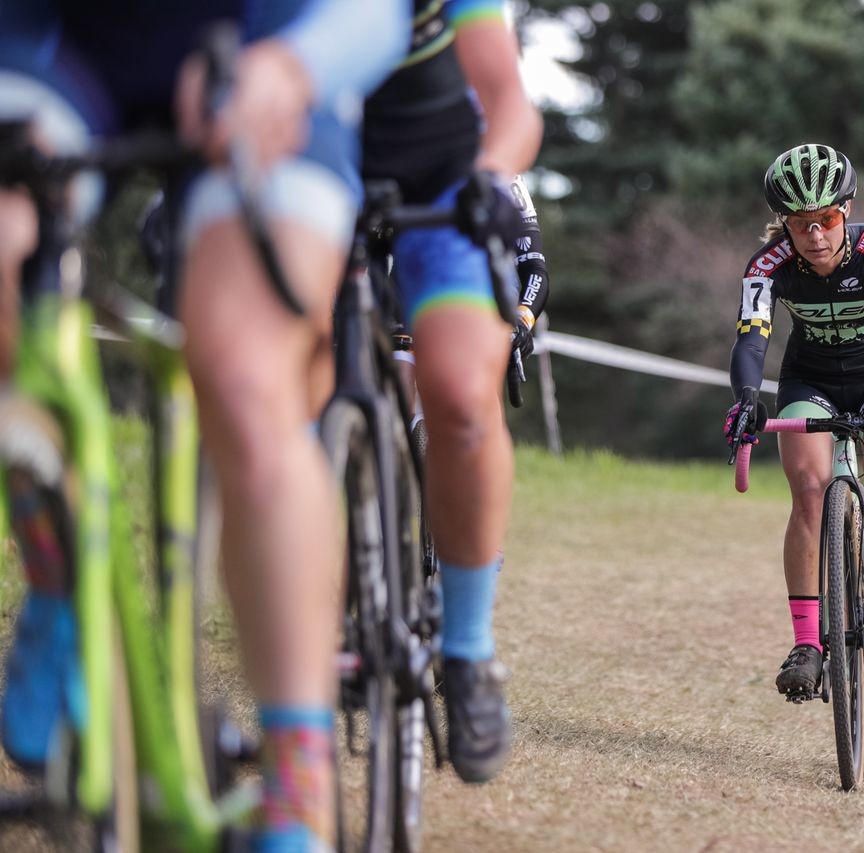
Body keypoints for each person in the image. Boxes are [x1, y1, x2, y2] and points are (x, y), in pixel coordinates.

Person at [0, 2, 409, 849]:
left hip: (266, 29)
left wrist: (293, 70)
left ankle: (298, 783)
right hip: (55, 37)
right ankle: (58, 579)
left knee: (243, 370)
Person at [360, 0, 543, 783]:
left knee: (462, 400)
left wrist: (492, 175)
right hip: (313, 168)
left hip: (441, 176)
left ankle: (466, 650)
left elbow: (507, 99)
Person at [724, 143, 864, 699]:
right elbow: (751, 340)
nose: (815, 235)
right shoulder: (768, 267)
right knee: (807, 489)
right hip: (811, 380)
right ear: (785, 225)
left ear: (845, 211)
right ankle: (807, 643)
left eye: (826, 220)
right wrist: (747, 397)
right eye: (801, 224)